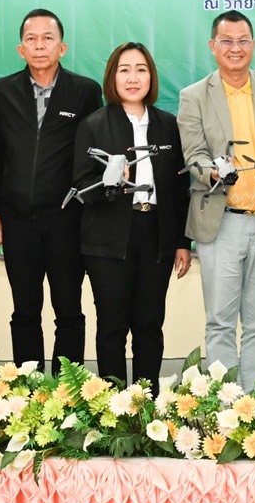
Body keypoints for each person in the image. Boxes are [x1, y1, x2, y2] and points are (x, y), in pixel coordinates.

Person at [0, 10, 102, 372]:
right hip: (17, 220)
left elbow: (94, 157)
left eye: (47, 38)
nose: (39, 46)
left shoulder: (84, 91)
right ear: (21, 49)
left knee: (69, 310)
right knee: (25, 311)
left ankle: (68, 388)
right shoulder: (4, 90)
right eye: (31, 39)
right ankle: (29, 386)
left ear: (62, 47)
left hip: (67, 219)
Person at [177, 11, 255, 389]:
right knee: (220, 322)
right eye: (227, 41)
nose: (235, 48)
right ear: (213, 46)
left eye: (243, 41)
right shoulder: (194, 96)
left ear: (253, 45)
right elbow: (193, 154)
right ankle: (226, 405)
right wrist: (212, 172)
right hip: (222, 220)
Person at [74, 43, 191, 386]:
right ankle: (113, 406)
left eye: (141, 69)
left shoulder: (167, 125)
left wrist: (182, 242)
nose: (133, 77)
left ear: (151, 77)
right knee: (112, 326)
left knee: (149, 325)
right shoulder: (94, 124)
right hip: (108, 238)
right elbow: (80, 185)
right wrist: (108, 182)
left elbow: (179, 190)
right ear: (112, 77)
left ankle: (146, 401)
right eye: (124, 70)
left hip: (156, 234)